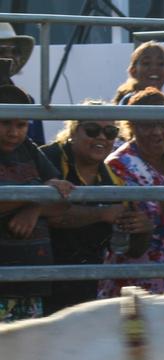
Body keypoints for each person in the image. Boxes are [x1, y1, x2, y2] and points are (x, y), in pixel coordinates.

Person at [40, 109, 149, 313]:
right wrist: (101, 213)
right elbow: (48, 213)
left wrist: (143, 229)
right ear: (73, 132)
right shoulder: (48, 158)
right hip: (37, 278)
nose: (101, 137)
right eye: (92, 130)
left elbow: (132, 250)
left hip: (82, 286)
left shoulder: (114, 181)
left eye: (110, 132)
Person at [99, 88, 164, 298]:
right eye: (147, 125)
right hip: (142, 281)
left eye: (163, 124)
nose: (156, 132)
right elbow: (143, 222)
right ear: (131, 125)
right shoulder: (118, 165)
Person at [0, 84, 74, 321]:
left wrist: (35, 208)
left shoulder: (28, 149)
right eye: (6, 123)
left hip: (30, 283)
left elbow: (62, 198)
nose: (14, 132)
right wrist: (38, 195)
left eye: (21, 125)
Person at [0, 23, 44, 146]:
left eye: (15, 51)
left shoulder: (29, 101)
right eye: (1, 50)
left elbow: (38, 146)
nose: (9, 56)